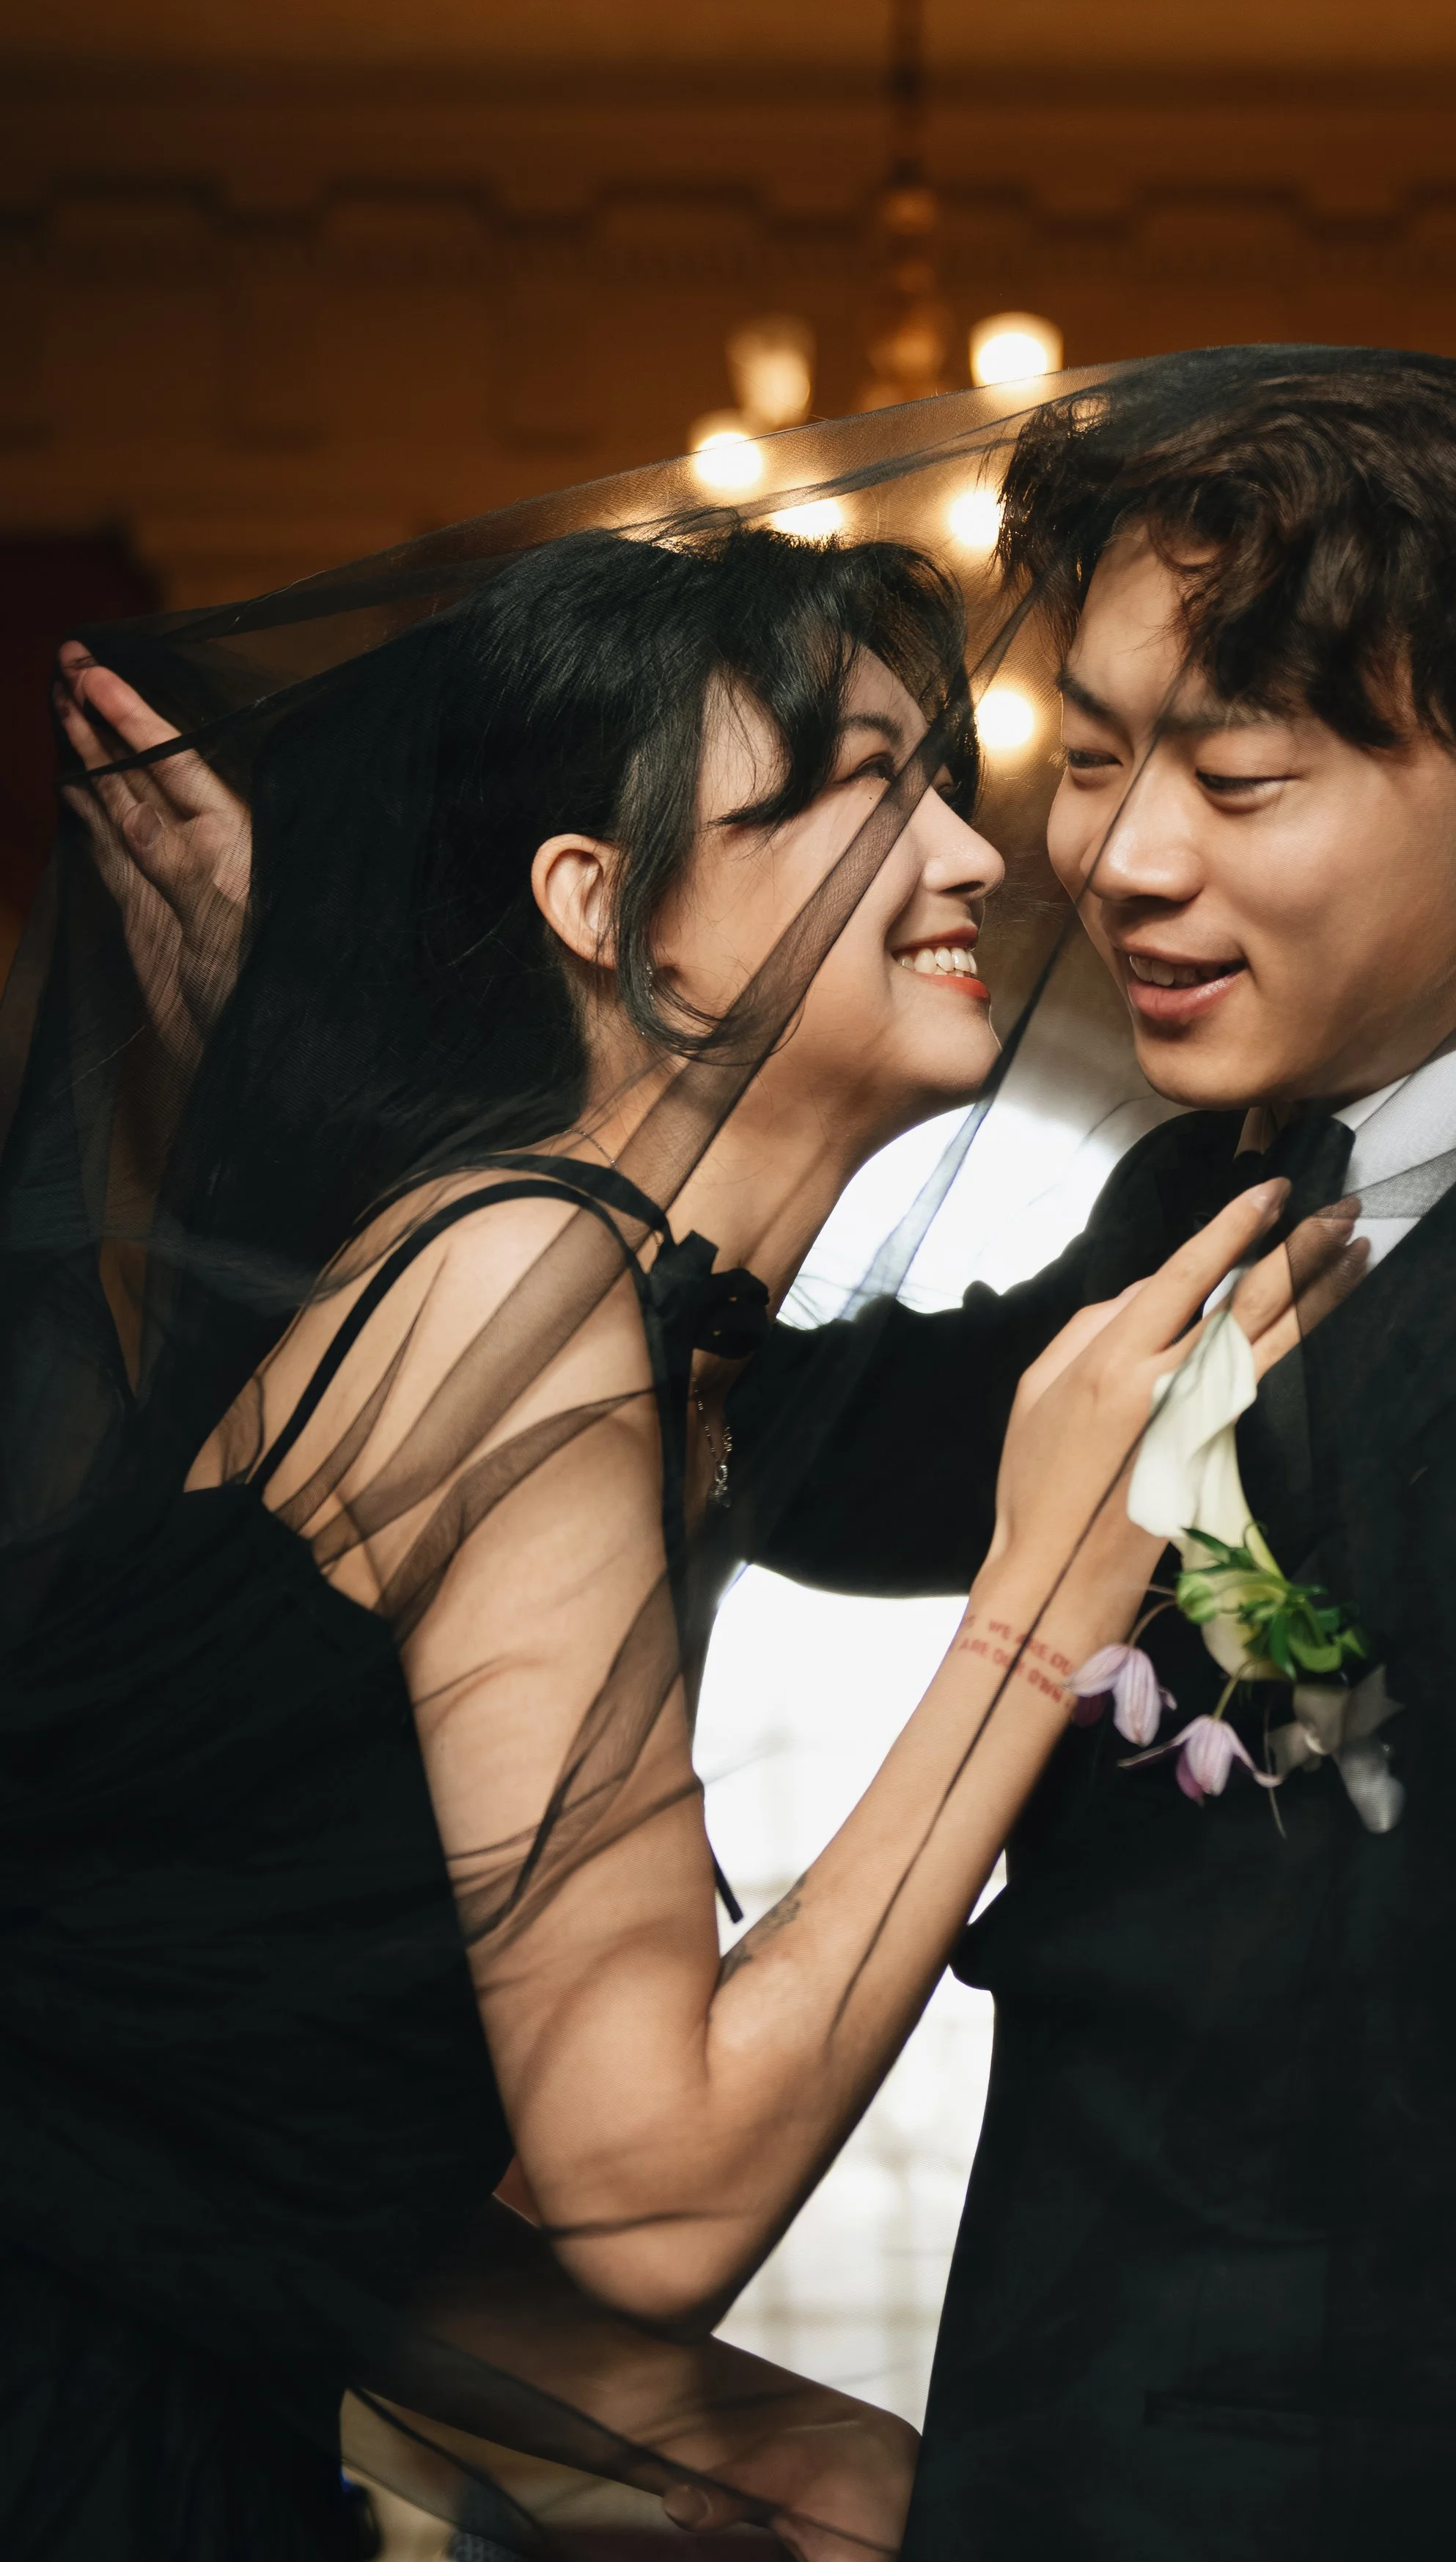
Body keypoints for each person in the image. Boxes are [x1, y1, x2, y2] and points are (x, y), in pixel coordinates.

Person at [7, 515, 1352, 2560]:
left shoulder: (609, 1322)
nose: (976, 857)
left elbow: (230, 2085)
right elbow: (649, 2200)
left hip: (178, 2338)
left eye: (943, 785)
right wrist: (1050, 1587)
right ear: (611, 912)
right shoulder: (523, 1284)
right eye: (855, 792)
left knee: (844, 2490)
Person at [730, 356, 1456, 2560]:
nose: (1121, 859)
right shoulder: (1185, 1207)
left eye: (1234, 774)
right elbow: (828, 1468)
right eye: (1101, 750)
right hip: (1046, 2441)